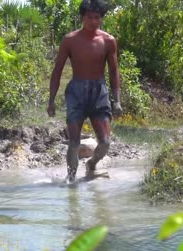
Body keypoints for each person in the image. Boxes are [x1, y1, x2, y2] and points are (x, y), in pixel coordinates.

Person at [47, 0, 122, 182]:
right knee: (73, 142)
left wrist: (117, 100)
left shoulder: (108, 41)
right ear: (82, 17)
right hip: (76, 93)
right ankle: (71, 179)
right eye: (90, 17)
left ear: (101, 19)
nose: (93, 21)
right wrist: (51, 100)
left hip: (99, 93)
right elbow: (57, 71)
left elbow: (113, 71)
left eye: (97, 17)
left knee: (105, 143)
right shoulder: (70, 40)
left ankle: (92, 164)